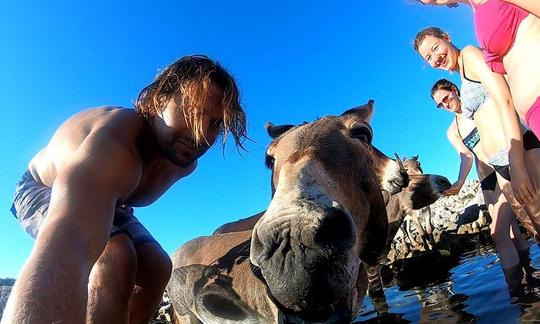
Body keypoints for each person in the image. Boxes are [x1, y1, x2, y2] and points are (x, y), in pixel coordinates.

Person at [2, 55, 247, 323]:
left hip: (109, 194)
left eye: (214, 124)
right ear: (158, 101)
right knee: (116, 256)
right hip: (40, 186)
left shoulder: (185, 163)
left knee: (157, 266)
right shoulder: (116, 143)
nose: (199, 133)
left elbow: (120, 189)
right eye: (191, 112)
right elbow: (71, 243)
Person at [414, 0, 540, 198]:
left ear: (446, 37)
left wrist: (517, 163)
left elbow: (504, 100)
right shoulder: (463, 77)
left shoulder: (470, 56)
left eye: (436, 48)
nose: (435, 58)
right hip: (501, 162)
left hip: (519, 150)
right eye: (429, 58)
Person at [430, 78, 540, 295]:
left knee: (515, 229)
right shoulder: (453, 130)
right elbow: (465, 157)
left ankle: (524, 282)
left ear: (454, 90)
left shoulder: (480, 107)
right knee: (505, 233)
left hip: (505, 165)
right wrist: (460, 182)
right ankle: (522, 285)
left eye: (445, 98)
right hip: (488, 179)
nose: (445, 105)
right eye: (439, 105)